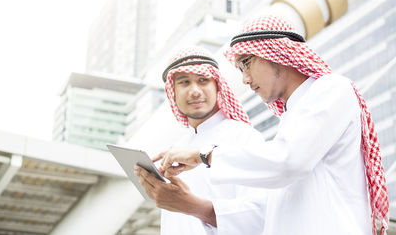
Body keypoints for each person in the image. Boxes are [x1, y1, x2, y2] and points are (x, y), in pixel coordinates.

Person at [158, 16, 389, 235]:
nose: (245, 79)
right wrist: (190, 206)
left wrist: (204, 156)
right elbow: (266, 212)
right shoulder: (292, 119)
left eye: (246, 64)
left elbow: (288, 161)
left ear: (276, 52)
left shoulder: (331, 90)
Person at [135, 46, 267, 235]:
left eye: (203, 80)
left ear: (217, 86)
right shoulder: (178, 147)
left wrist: (191, 205)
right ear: (172, 92)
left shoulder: (243, 136)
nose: (195, 91)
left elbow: (259, 217)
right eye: (184, 82)